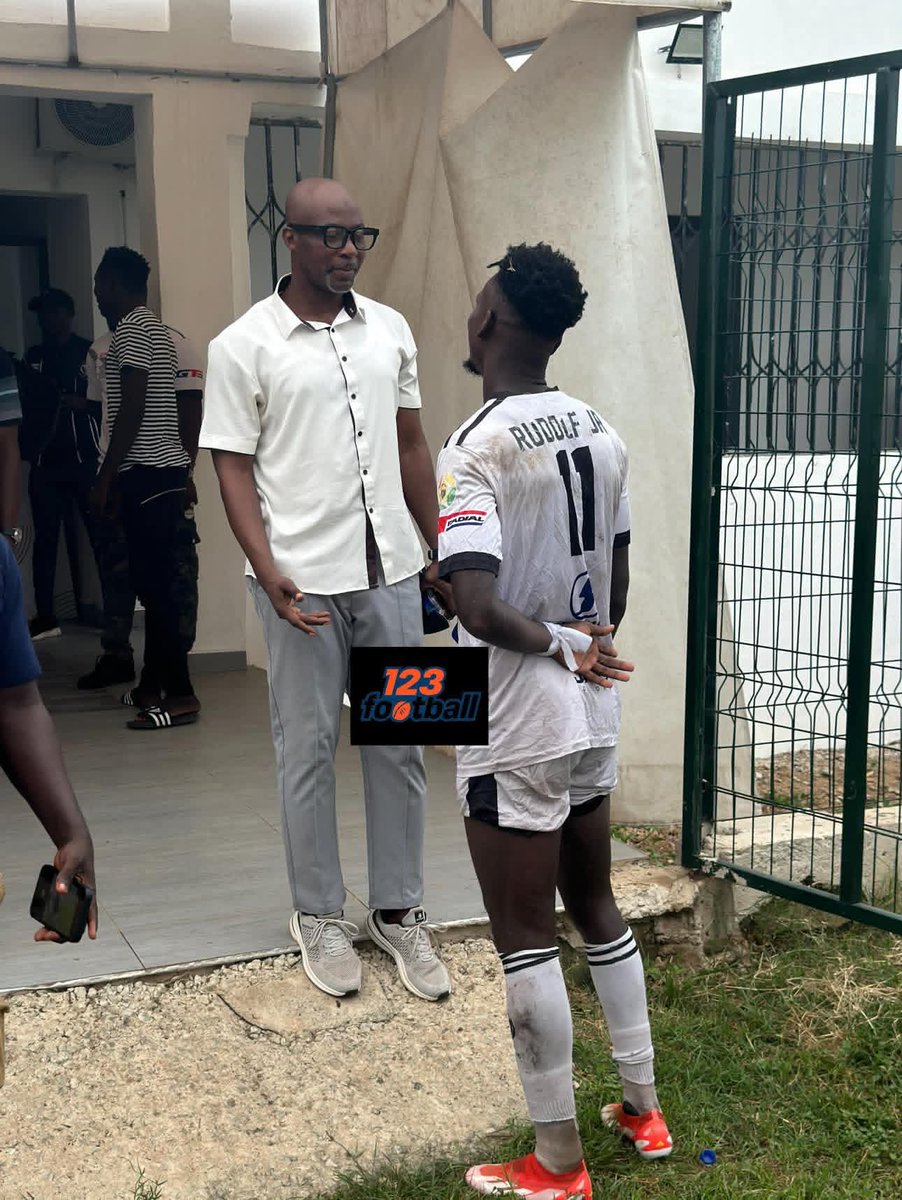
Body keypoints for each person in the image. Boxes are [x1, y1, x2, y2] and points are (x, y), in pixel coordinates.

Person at [437, 244, 671, 1199]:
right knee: (597, 903)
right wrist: (582, 643)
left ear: (491, 319)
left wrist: (472, 599)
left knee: (523, 934)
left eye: (479, 295)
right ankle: (644, 1110)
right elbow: (612, 582)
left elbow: (484, 610)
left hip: (518, 714)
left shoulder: (475, 446)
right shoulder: (601, 431)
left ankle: (557, 1163)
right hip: (593, 704)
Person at [200, 178, 451, 1003]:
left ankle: (399, 910)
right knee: (304, 751)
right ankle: (316, 914)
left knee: (403, 746)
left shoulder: (392, 331)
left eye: (359, 236)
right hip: (300, 587)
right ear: (291, 240)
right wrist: (264, 566)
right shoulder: (245, 343)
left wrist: (439, 540)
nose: (348, 250)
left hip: (393, 576)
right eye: (331, 236)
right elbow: (230, 466)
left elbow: (413, 444)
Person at [0, 383, 97, 943]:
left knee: (396, 748)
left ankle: (398, 909)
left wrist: (71, 831)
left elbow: (14, 701)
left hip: (389, 587)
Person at [90, 247, 200, 730]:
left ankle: (180, 695)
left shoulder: (133, 331)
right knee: (155, 588)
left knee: (156, 592)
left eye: (100, 285)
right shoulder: (150, 328)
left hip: (148, 475)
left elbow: (131, 409)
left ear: (116, 283)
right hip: (162, 476)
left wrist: (108, 475)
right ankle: (152, 686)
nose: (96, 295)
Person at [77, 320, 204, 691]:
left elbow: (190, 410)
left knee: (172, 576)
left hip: (160, 478)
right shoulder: (100, 350)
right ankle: (124, 658)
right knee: (120, 573)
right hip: (121, 477)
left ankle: (173, 672)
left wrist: (186, 472)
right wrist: (105, 475)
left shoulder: (179, 344)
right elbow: (98, 416)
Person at [17, 289, 96, 641]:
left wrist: (83, 403)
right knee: (46, 540)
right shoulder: (34, 357)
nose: (46, 320)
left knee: (100, 537)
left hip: (84, 460)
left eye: (52, 312)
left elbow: (110, 401)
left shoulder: (89, 352)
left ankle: (111, 614)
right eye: (42, 314)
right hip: (46, 461)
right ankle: (46, 616)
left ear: (68, 313)